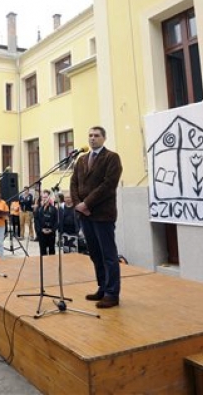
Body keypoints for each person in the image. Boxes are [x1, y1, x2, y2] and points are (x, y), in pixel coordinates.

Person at [70, 126, 123, 309]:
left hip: (102, 215)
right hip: (85, 216)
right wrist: (78, 204)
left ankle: (112, 293)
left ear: (104, 138)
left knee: (108, 255)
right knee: (95, 254)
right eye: (90, 135)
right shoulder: (82, 159)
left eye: (97, 135)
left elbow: (108, 185)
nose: (92, 138)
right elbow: (74, 183)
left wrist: (87, 204)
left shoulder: (111, 158)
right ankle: (102, 287)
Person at [35, 189, 58, 256]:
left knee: (52, 251)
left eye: (46, 197)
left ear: (49, 198)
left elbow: (56, 221)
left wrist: (52, 230)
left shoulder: (54, 209)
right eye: (43, 197)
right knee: (43, 251)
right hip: (42, 233)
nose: (44, 199)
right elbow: (36, 221)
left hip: (51, 233)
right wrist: (41, 230)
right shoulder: (39, 209)